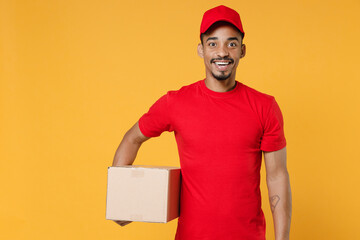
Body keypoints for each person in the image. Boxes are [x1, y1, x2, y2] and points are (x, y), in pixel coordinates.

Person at [112, 5, 292, 240]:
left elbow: (277, 177)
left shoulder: (264, 107)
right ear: (201, 50)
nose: (222, 52)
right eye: (213, 43)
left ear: (242, 50)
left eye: (232, 43)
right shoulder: (175, 103)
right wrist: (120, 200)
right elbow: (132, 137)